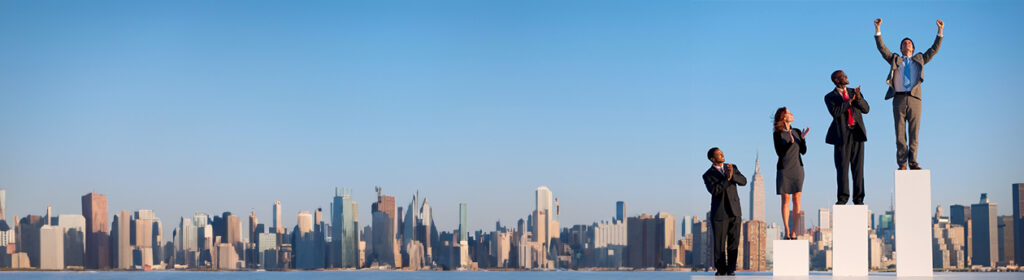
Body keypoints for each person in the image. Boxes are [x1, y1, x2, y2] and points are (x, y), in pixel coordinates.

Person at [874, 18, 943, 170]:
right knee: (900, 133)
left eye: (909, 43)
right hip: (898, 98)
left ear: (913, 48)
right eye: (904, 43)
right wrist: (878, 29)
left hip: (915, 99)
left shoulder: (919, 59)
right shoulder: (895, 59)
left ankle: (913, 161)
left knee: (914, 132)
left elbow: (933, 50)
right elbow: (882, 48)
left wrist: (939, 32)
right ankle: (902, 163)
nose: (907, 45)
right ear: (901, 48)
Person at [825, 70, 870, 205]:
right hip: (842, 136)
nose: (847, 77)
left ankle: (859, 199)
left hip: (857, 134)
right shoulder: (829, 97)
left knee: (858, 168)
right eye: (843, 76)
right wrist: (849, 102)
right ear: (837, 80)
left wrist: (858, 98)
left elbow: (866, 109)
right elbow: (836, 112)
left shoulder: (854, 93)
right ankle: (843, 198)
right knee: (842, 168)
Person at [702, 147, 747, 276]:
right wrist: (727, 179)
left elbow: (743, 181)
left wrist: (732, 176)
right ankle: (721, 269)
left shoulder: (732, 167)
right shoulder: (707, 175)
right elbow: (715, 190)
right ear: (712, 158)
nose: (722, 155)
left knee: (734, 242)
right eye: (719, 154)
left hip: (735, 212)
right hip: (720, 213)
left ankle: (731, 269)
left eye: (722, 153)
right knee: (719, 244)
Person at [773, 107, 808, 239]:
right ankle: (787, 231)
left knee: (797, 198)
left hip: (797, 168)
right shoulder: (777, 133)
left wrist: (802, 139)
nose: (792, 114)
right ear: (783, 117)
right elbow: (779, 152)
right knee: (786, 199)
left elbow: (803, 151)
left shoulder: (797, 131)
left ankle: (794, 232)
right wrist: (790, 143)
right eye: (789, 113)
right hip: (784, 169)